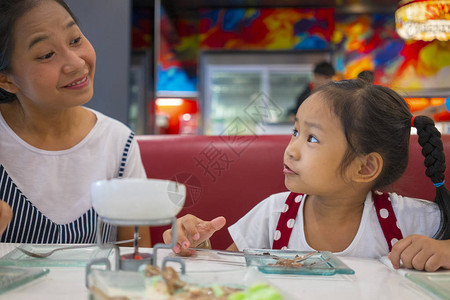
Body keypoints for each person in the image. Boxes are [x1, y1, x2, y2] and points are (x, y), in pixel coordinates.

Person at [164, 78, 450, 272]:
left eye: (312, 139)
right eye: (296, 132)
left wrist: (445, 252)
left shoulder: (409, 219)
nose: (291, 150)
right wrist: (197, 247)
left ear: (365, 167)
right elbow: (229, 278)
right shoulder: (273, 214)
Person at [0, 0, 150, 246]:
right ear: (6, 80)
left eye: (75, 40)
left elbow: (138, 258)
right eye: (47, 54)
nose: (77, 63)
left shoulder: (118, 143)